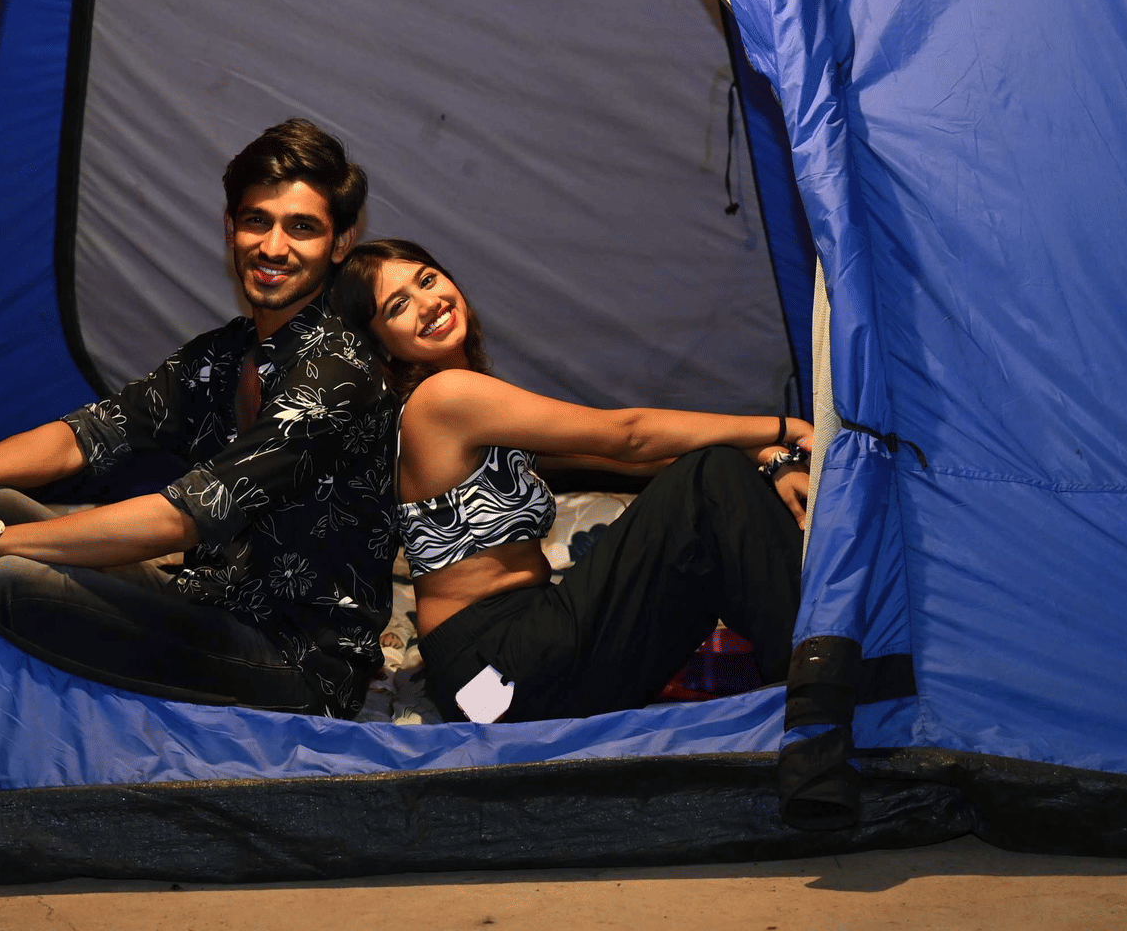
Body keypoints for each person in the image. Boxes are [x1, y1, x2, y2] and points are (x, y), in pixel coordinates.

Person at [0, 120, 398, 718]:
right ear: (230, 227)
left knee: (13, 579)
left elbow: (182, 519)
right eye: (257, 221)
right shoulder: (225, 353)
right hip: (211, 599)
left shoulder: (337, 373)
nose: (273, 247)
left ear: (341, 243)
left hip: (296, 663)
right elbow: (87, 434)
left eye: (302, 228)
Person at [335, 238, 812, 724]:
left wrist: (766, 457)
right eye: (398, 306)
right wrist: (784, 428)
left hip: (520, 650)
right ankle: (825, 681)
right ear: (380, 344)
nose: (428, 303)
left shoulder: (465, 403)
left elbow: (623, 460)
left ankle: (814, 669)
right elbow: (627, 436)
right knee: (709, 480)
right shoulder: (443, 397)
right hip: (495, 667)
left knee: (715, 483)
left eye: (427, 279)